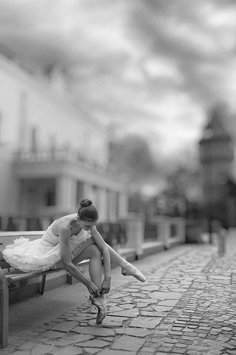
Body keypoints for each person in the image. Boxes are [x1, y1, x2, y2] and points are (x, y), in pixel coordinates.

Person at [2, 199, 146, 324]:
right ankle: (119, 270)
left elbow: (104, 249)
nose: (90, 229)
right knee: (91, 241)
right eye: (87, 226)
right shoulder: (66, 227)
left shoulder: (86, 222)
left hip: (67, 249)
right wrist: (88, 284)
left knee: (96, 250)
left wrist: (108, 278)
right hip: (50, 253)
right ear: (79, 218)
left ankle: (100, 297)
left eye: (92, 226)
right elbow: (67, 264)